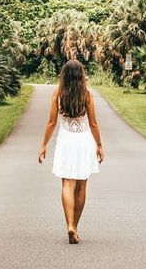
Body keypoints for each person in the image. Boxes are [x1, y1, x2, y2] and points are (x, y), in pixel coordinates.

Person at [38, 59, 104, 244]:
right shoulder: (87, 95)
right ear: (81, 76)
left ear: (64, 76)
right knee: (81, 185)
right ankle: (75, 225)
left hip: (66, 140)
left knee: (67, 184)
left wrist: (43, 145)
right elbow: (93, 123)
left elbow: (51, 123)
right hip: (83, 140)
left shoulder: (57, 94)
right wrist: (99, 145)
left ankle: (70, 226)